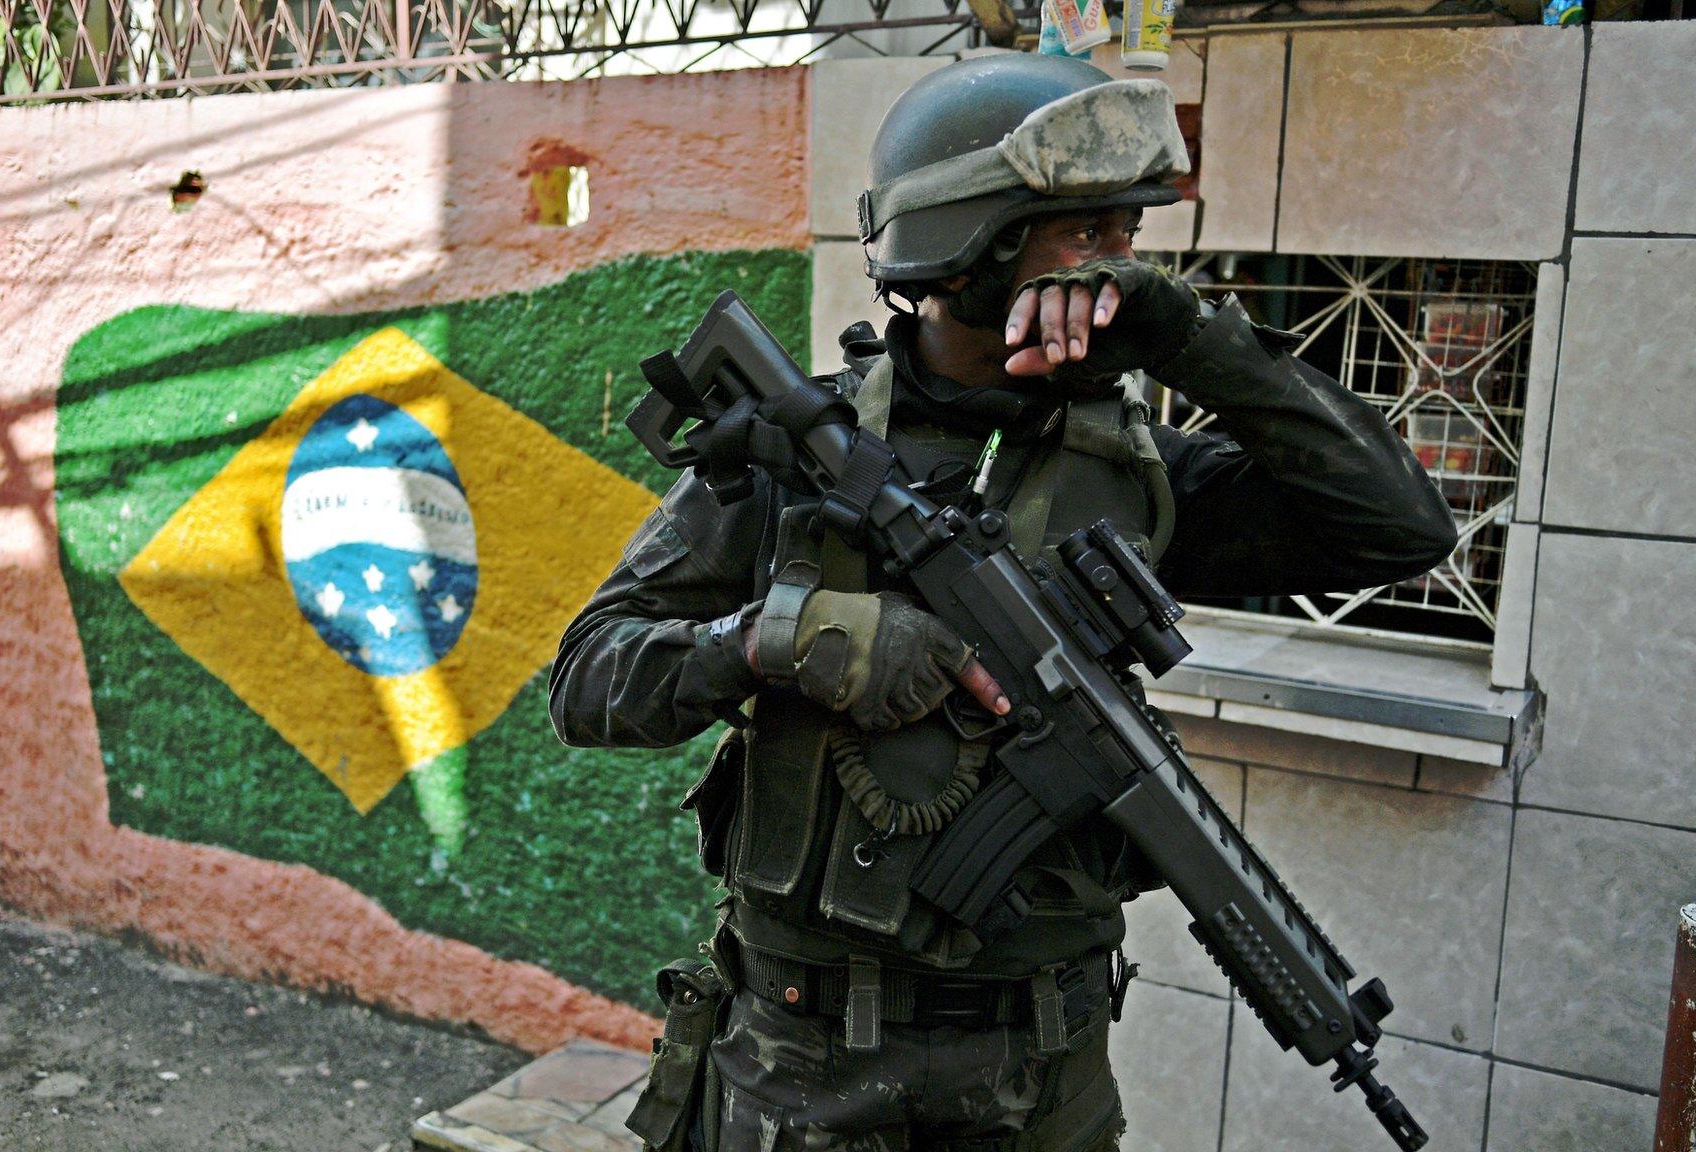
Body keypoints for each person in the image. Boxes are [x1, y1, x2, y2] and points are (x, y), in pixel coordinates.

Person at [552, 53, 1457, 1152]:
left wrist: (1189, 336)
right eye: (1087, 234)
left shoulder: (1137, 474)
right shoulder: (793, 453)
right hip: (799, 1074)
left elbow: (1401, 529)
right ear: (972, 239)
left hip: (1042, 1086)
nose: (1119, 264)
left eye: (1129, 235)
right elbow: (589, 677)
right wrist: (783, 638)